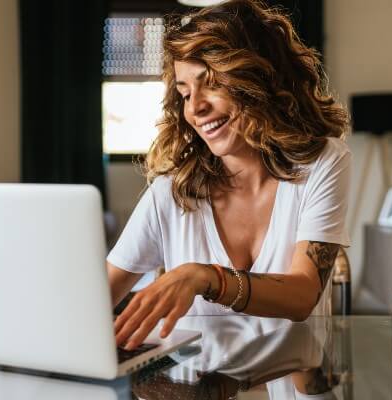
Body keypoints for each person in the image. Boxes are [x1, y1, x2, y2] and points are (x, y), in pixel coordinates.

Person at [107, 0, 352, 351]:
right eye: (185, 92)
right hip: (192, 385)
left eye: (212, 84)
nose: (195, 108)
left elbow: (302, 294)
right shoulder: (171, 193)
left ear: (260, 80)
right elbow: (97, 297)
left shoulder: (321, 163)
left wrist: (204, 276)